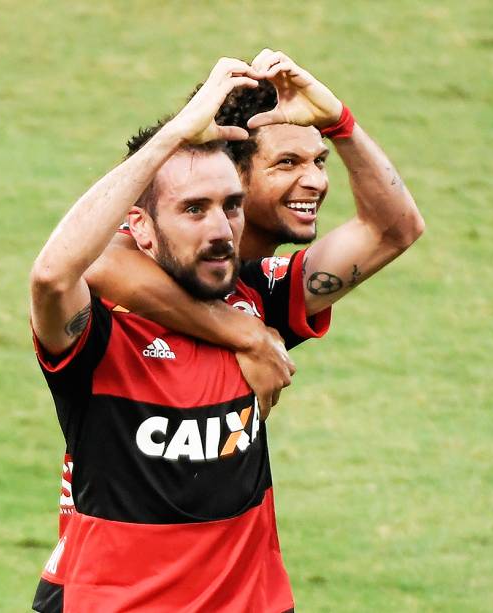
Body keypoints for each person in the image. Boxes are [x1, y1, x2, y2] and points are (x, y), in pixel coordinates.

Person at [54, 48, 424, 536]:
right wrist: (242, 333)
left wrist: (341, 122)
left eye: (319, 161)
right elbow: (92, 262)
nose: (314, 181)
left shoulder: (260, 287)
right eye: (287, 162)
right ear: (229, 167)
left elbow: (394, 229)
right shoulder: (131, 269)